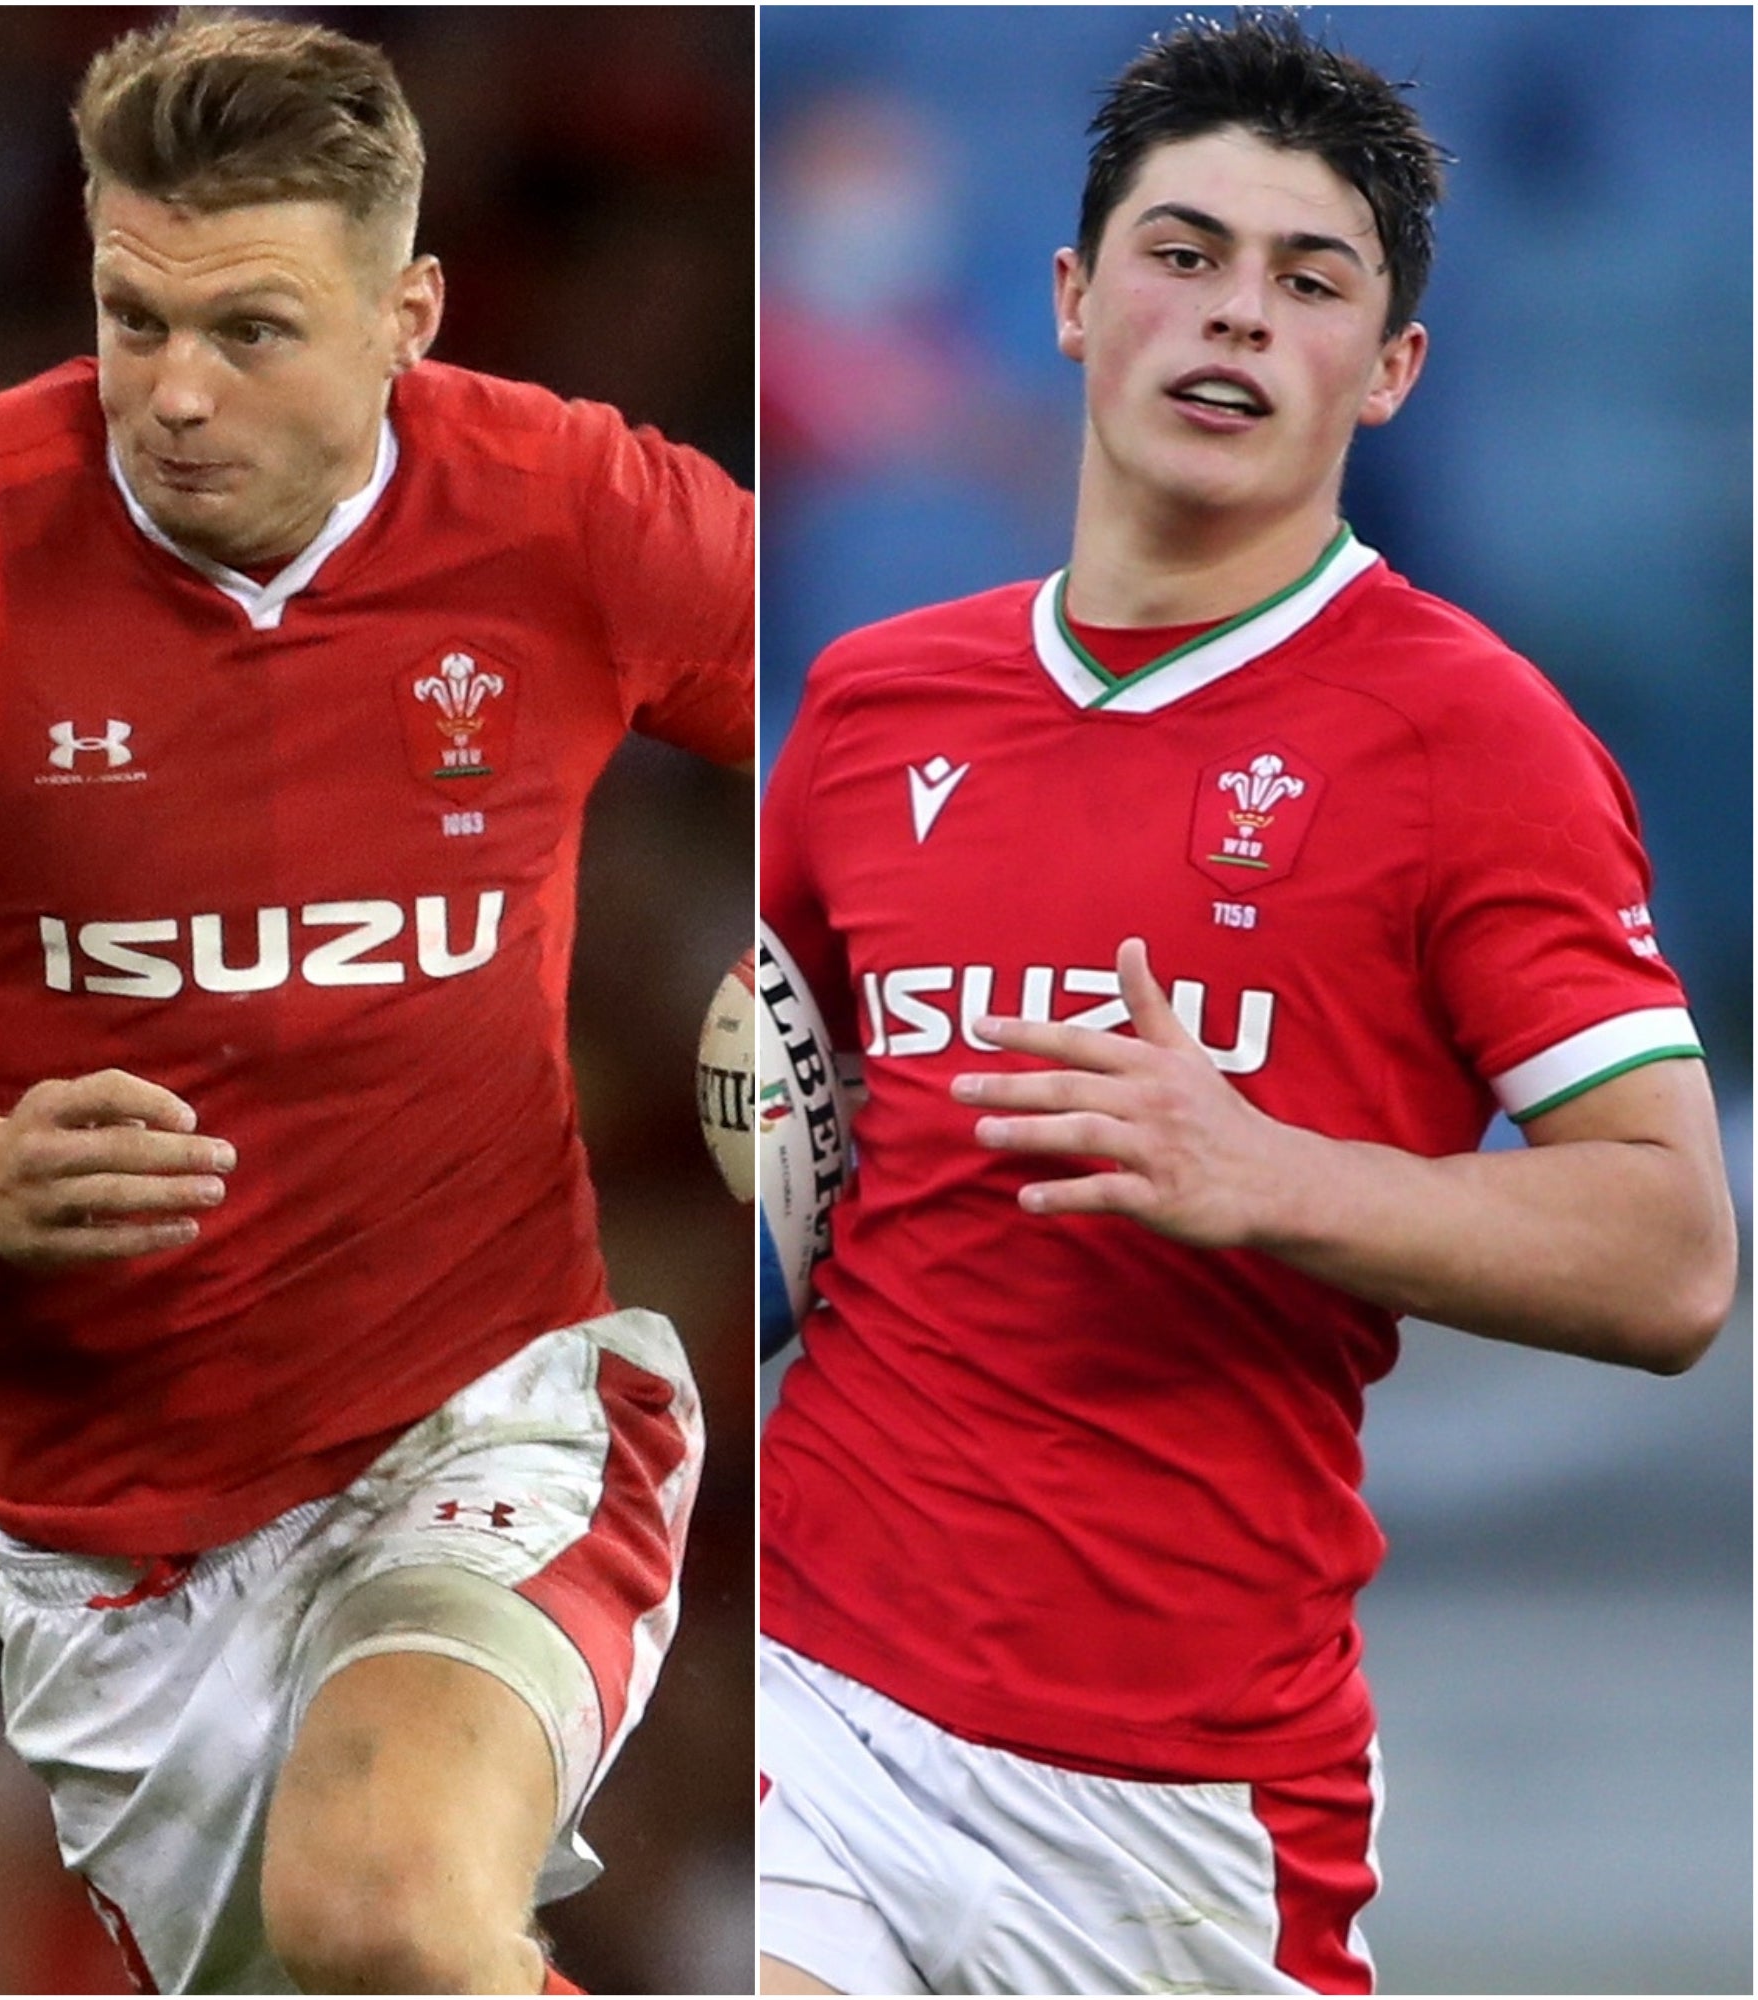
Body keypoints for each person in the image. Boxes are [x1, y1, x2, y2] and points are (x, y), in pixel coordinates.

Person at [0, 15, 751, 1996]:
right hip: (117, 1552)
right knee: (368, 1956)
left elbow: (929, 717)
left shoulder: (568, 506)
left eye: (254, 331)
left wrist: (797, 936)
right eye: (135, 318)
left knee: (378, 1901)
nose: (177, 395)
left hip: (498, 1407)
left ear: (411, 314)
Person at [756, 13, 1736, 1997]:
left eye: (1308, 283)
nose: (1233, 319)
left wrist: (1264, 1166)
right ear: (1067, 297)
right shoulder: (870, 706)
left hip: (1181, 1800)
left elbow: (1669, 1255)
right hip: (823, 1696)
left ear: (1387, 373)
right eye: (1181, 254)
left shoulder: (1475, 738)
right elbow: (779, 1115)